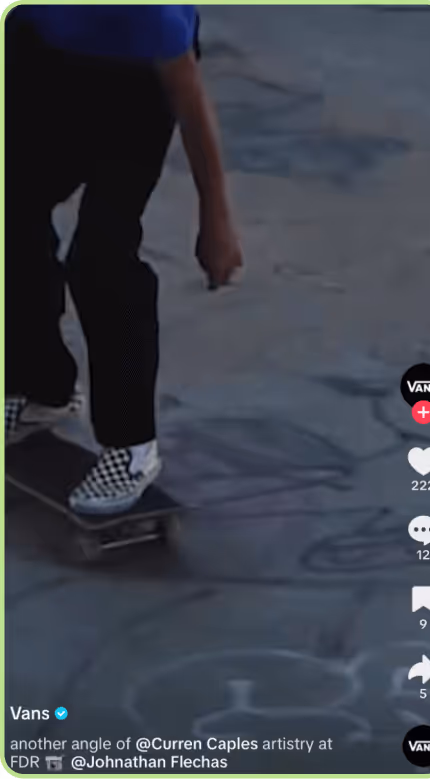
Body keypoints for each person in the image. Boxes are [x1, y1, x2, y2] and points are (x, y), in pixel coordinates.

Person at [5, 4, 242, 514]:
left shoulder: (148, 15)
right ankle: (43, 388)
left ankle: (132, 447)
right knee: (10, 220)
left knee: (101, 257)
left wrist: (215, 220)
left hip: (139, 88)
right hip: (45, 60)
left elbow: (190, 103)